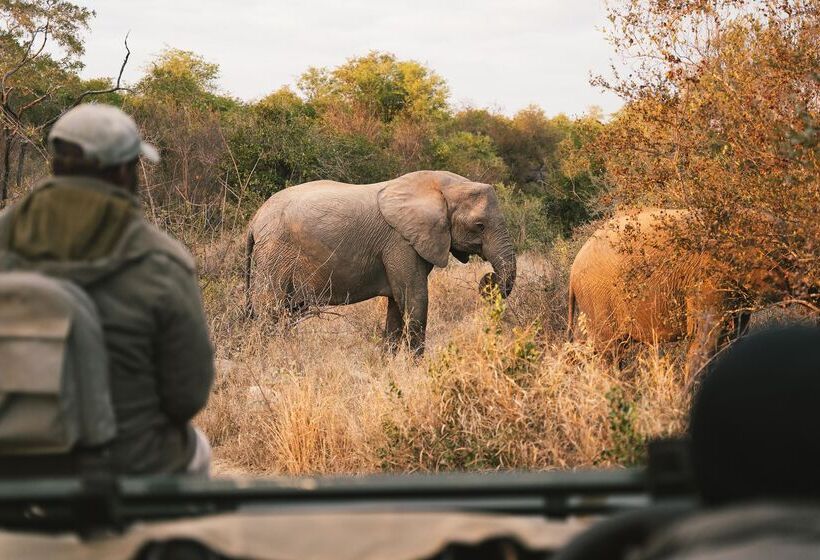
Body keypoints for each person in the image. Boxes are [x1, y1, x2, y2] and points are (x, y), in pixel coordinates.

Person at [0, 104, 215, 476]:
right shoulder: (160, 260)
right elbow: (187, 397)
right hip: (126, 466)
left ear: (56, 163)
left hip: (10, 462)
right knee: (201, 450)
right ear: (122, 172)